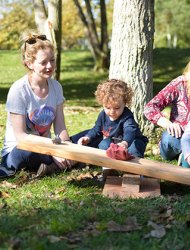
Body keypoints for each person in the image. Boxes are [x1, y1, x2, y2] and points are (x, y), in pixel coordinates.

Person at [0, 30, 75, 178]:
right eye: (43, 62)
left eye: (52, 60)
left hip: (48, 147)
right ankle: (55, 164)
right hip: (20, 151)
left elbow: (60, 129)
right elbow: (21, 137)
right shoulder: (18, 90)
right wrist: (53, 152)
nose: (49, 66)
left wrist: (69, 148)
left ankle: (52, 166)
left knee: (87, 137)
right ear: (30, 63)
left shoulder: (56, 87)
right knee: (26, 153)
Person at [73, 79, 148, 178]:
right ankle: (108, 168)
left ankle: (136, 173)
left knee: (135, 148)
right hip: (115, 142)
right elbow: (96, 129)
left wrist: (125, 143)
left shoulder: (127, 116)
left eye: (117, 108)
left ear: (124, 103)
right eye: (108, 108)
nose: (112, 112)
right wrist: (88, 137)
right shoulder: (103, 115)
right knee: (103, 144)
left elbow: (130, 130)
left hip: (132, 141)